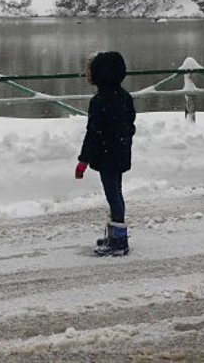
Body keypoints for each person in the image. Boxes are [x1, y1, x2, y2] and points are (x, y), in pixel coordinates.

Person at [74, 51, 136, 256]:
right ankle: (115, 234)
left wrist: (83, 160)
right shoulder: (125, 97)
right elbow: (131, 125)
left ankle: (119, 240)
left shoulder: (99, 101)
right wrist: (123, 139)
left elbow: (93, 133)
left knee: (113, 195)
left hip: (106, 155)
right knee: (116, 192)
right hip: (120, 152)